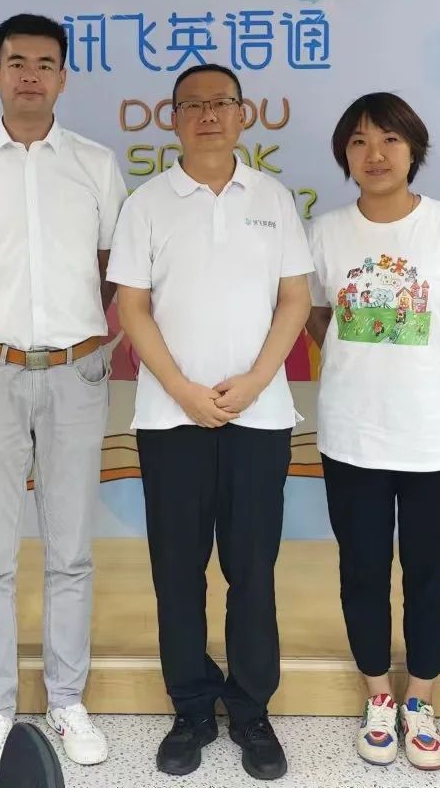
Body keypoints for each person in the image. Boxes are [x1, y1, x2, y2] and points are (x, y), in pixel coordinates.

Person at [109, 63, 313, 782]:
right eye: (192, 105)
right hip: (172, 418)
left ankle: (252, 709)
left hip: (261, 417)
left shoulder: (273, 198)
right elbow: (132, 307)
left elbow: (295, 298)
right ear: (171, 119)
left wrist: (256, 381)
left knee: (252, 569)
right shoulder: (146, 203)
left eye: (221, 103)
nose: (207, 115)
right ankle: (192, 706)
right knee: (178, 570)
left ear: (242, 114)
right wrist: (183, 390)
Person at [0, 14, 126, 781]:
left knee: (71, 550)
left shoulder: (95, 163)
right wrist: (7, 332)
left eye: (46, 63)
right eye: (16, 62)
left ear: (63, 77)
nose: (30, 76)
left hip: (77, 373)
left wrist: (68, 333)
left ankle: (67, 699)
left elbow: (111, 266)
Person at [304, 92, 440, 772]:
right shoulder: (326, 232)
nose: (376, 154)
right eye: (360, 142)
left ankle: (420, 697)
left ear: (414, 149)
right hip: (352, 434)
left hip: (437, 437)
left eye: (390, 139)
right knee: (361, 570)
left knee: (431, 573)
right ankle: (378, 696)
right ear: (345, 155)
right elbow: (317, 314)